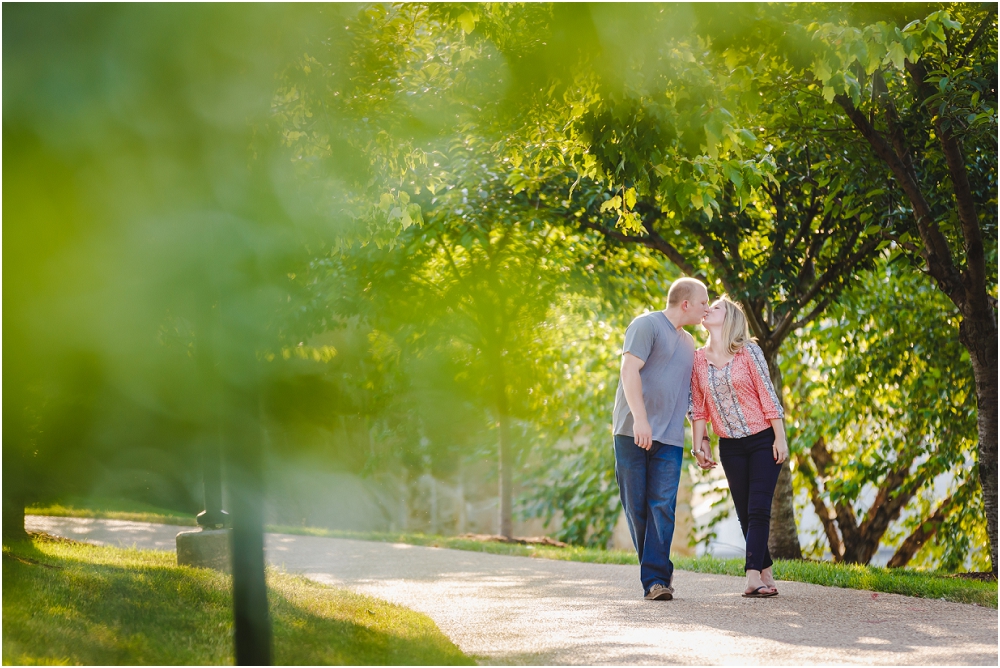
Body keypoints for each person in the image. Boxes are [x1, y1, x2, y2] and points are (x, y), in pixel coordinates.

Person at [612, 277, 709, 601]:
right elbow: (629, 371)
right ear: (686, 304)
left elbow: (692, 395)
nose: (706, 308)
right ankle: (657, 570)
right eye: (703, 302)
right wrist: (640, 419)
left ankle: (655, 580)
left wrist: (701, 440)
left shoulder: (689, 343)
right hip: (631, 431)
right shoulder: (646, 325)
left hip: (668, 438)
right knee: (636, 507)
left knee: (662, 507)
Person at [690, 296, 788, 598]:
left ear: (730, 317)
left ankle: (751, 576)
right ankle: (766, 570)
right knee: (745, 513)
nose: (708, 310)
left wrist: (780, 437)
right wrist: (699, 446)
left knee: (758, 510)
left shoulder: (749, 352)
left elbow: (767, 394)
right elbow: (698, 407)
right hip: (730, 446)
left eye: (715, 307)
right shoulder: (697, 359)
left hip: (762, 440)